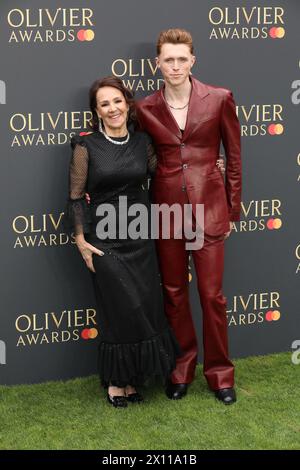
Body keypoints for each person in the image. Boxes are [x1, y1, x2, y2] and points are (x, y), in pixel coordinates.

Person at [136, 29, 242, 404]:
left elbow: (234, 157)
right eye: (169, 60)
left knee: (211, 296)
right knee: (174, 293)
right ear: (158, 64)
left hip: (210, 210)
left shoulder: (219, 98)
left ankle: (220, 374)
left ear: (193, 61)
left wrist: (232, 209)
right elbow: (134, 157)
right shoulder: (145, 108)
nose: (176, 66)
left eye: (182, 59)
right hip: (166, 213)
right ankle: (183, 367)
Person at [64, 76, 181, 408]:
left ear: (127, 104)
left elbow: (165, 176)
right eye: (104, 103)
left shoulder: (142, 142)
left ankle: (133, 379)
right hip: (105, 242)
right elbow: (74, 197)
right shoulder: (86, 145)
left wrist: (207, 166)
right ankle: (117, 382)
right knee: (119, 310)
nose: (112, 108)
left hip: (140, 238)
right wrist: (81, 241)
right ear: (96, 111)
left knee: (143, 307)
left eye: (117, 101)